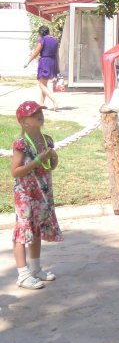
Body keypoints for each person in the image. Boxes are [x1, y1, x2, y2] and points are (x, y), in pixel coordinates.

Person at [11, 100, 62, 289]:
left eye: (40, 112)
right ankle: (23, 274)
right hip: (26, 195)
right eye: (34, 114)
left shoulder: (46, 139)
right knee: (23, 232)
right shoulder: (21, 144)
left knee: (37, 229)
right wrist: (37, 160)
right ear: (24, 122)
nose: (39, 115)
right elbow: (15, 171)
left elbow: (49, 167)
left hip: (43, 192)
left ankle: (35, 268)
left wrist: (53, 160)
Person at [24, 26, 60, 112]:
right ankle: (41, 103)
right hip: (53, 61)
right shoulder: (55, 40)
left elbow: (36, 52)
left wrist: (28, 62)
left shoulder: (42, 39)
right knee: (44, 83)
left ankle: (54, 100)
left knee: (41, 84)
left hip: (45, 62)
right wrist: (57, 67)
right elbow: (57, 55)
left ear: (41, 33)